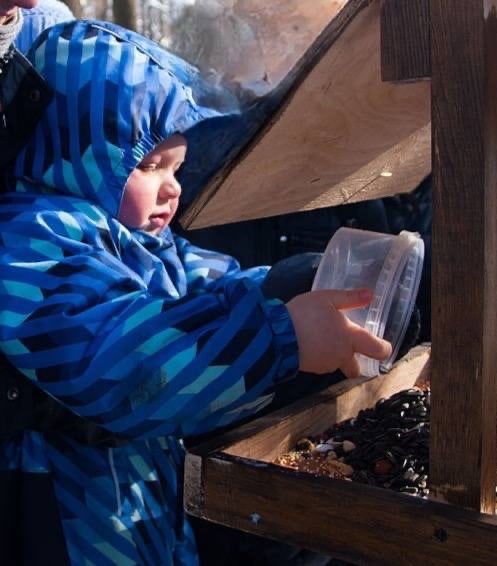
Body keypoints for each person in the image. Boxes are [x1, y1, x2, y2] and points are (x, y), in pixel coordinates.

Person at [0, 20, 391, 565]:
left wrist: (295, 284)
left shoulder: (146, 240)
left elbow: (211, 287)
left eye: (177, 167)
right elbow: (130, 362)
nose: (172, 188)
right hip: (70, 521)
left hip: (146, 501)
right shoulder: (32, 242)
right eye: (148, 165)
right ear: (75, 153)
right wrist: (282, 336)